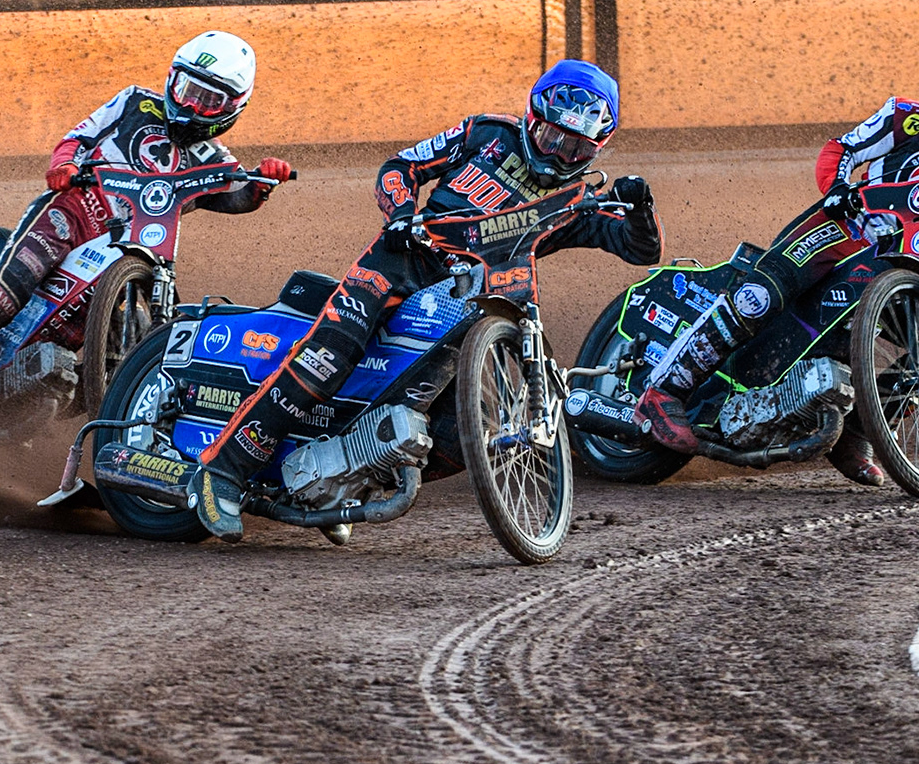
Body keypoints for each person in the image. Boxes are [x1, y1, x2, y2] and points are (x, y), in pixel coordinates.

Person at [187, 59, 663, 542]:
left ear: (597, 148)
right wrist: (400, 213)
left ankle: (349, 482)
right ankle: (221, 471)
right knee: (327, 358)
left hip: (478, 297)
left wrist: (639, 207)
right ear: (532, 117)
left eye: (576, 146)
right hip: (402, 262)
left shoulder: (576, 201)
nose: (559, 153)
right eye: (551, 137)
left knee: (464, 432)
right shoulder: (484, 134)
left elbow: (639, 248)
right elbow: (402, 167)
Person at [636, 40, 919, 485]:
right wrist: (836, 186)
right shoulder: (908, 117)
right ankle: (664, 391)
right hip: (844, 229)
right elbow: (842, 148)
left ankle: (858, 432)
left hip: (908, 266)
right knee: (761, 296)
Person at [0, 30, 293, 396]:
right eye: (187, 89)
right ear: (171, 79)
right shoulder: (134, 101)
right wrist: (63, 166)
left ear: (231, 108)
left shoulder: (213, 159)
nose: (191, 104)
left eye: (208, 101)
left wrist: (261, 184)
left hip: (134, 248)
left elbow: (235, 194)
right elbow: (78, 137)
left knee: (120, 339)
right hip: (74, 213)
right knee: (3, 296)